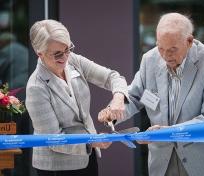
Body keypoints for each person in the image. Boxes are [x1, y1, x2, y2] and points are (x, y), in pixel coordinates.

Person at [99, 13, 204, 176]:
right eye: (160, 48)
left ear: (189, 41)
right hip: (164, 166)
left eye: (172, 50)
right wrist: (114, 112)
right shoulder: (150, 60)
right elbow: (134, 97)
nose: (166, 56)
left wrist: (168, 132)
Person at [25, 19, 128, 176]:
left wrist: (118, 98)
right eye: (57, 54)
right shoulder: (36, 87)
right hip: (57, 166)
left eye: (68, 49)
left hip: (88, 156)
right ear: (40, 53)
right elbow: (53, 139)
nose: (65, 57)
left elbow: (112, 77)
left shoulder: (73, 60)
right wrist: (91, 141)